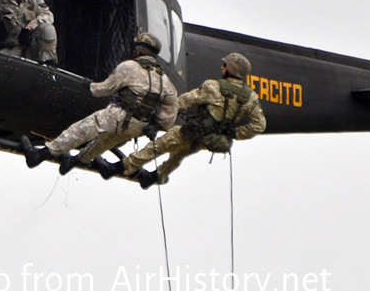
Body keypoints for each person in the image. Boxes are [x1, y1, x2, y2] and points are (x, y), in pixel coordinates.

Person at [22, 33, 177, 175]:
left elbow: (105, 89)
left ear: (139, 50)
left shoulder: (130, 67)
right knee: (102, 144)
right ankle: (73, 161)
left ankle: (38, 156)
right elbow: (171, 109)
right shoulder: (164, 79)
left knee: (79, 131)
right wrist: (156, 125)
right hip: (137, 127)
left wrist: (89, 86)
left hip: (118, 116)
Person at [119, 52, 266, 187]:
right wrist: (235, 133)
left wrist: (159, 118)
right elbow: (259, 125)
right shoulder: (250, 97)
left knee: (159, 145)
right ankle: (159, 175)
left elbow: (183, 102)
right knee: (180, 153)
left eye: (225, 65)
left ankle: (126, 166)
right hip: (214, 140)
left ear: (230, 69)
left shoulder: (213, 86)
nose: (222, 67)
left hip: (195, 131)